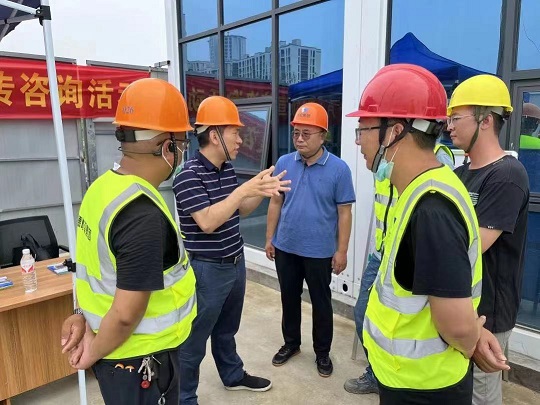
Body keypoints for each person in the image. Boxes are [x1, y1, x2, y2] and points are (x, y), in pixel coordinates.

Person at [347, 63, 484, 404]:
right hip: (406, 377)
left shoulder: (431, 208)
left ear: (393, 132)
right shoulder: (417, 189)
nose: (359, 141)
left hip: (424, 387)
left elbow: (457, 325)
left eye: (363, 129)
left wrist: (473, 341)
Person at [59, 78, 198, 404]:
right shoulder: (142, 214)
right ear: (167, 146)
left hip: (117, 354)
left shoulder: (102, 189)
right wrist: (93, 351)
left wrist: (81, 314)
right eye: (182, 143)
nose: (183, 152)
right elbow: (125, 314)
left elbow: (91, 269)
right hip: (142, 360)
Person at [173, 95, 289, 405]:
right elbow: (208, 222)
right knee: (194, 338)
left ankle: (232, 375)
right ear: (214, 136)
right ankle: (184, 397)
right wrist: (242, 190)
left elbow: (240, 210)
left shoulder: (225, 169)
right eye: (235, 132)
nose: (240, 140)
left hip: (235, 262)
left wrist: (262, 190)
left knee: (227, 329)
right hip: (207, 268)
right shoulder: (188, 175)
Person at [344, 139, 455, 395]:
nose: (359, 139)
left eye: (366, 128)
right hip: (381, 252)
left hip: (408, 255)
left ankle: (401, 380)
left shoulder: (437, 158)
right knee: (363, 314)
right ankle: (378, 373)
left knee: (408, 326)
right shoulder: (385, 158)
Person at [447, 74, 530, 405]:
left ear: (485, 120)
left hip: (488, 313)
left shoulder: (507, 175)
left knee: (480, 394)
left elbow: (472, 247)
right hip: (460, 304)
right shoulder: (459, 174)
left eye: (456, 117)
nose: (449, 126)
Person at [265, 102, 356, 377]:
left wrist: (342, 251)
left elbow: (344, 213)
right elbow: (275, 203)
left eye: (306, 133)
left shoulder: (339, 169)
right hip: (286, 247)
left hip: (319, 251)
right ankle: (291, 344)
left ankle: (322, 353)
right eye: (296, 133)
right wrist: (270, 238)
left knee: (321, 303)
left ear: (323, 135)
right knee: (289, 298)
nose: (299, 139)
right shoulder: (284, 163)